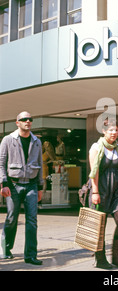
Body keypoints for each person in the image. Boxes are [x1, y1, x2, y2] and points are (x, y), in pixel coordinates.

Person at [0, 111, 43, 265]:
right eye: (24, 119)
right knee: (12, 217)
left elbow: (40, 164)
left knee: (32, 220)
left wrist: (40, 186)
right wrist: (3, 183)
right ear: (17, 122)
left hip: (31, 184)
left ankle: (31, 255)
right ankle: (6, 248)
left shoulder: (36, 141)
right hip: (13, 184)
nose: (28, 121)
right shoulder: (8, 140)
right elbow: (1, 163)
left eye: (30, 119)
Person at [89, 118, 118, 269]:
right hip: (100, 190)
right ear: (104, 131)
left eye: (116, 130)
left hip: (115, 191)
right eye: (111, 130)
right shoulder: (96, 147)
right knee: (100, 226)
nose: (114, 133)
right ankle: (100, 260)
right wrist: (95, 192)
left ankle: (116, 256)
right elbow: (94, 172)